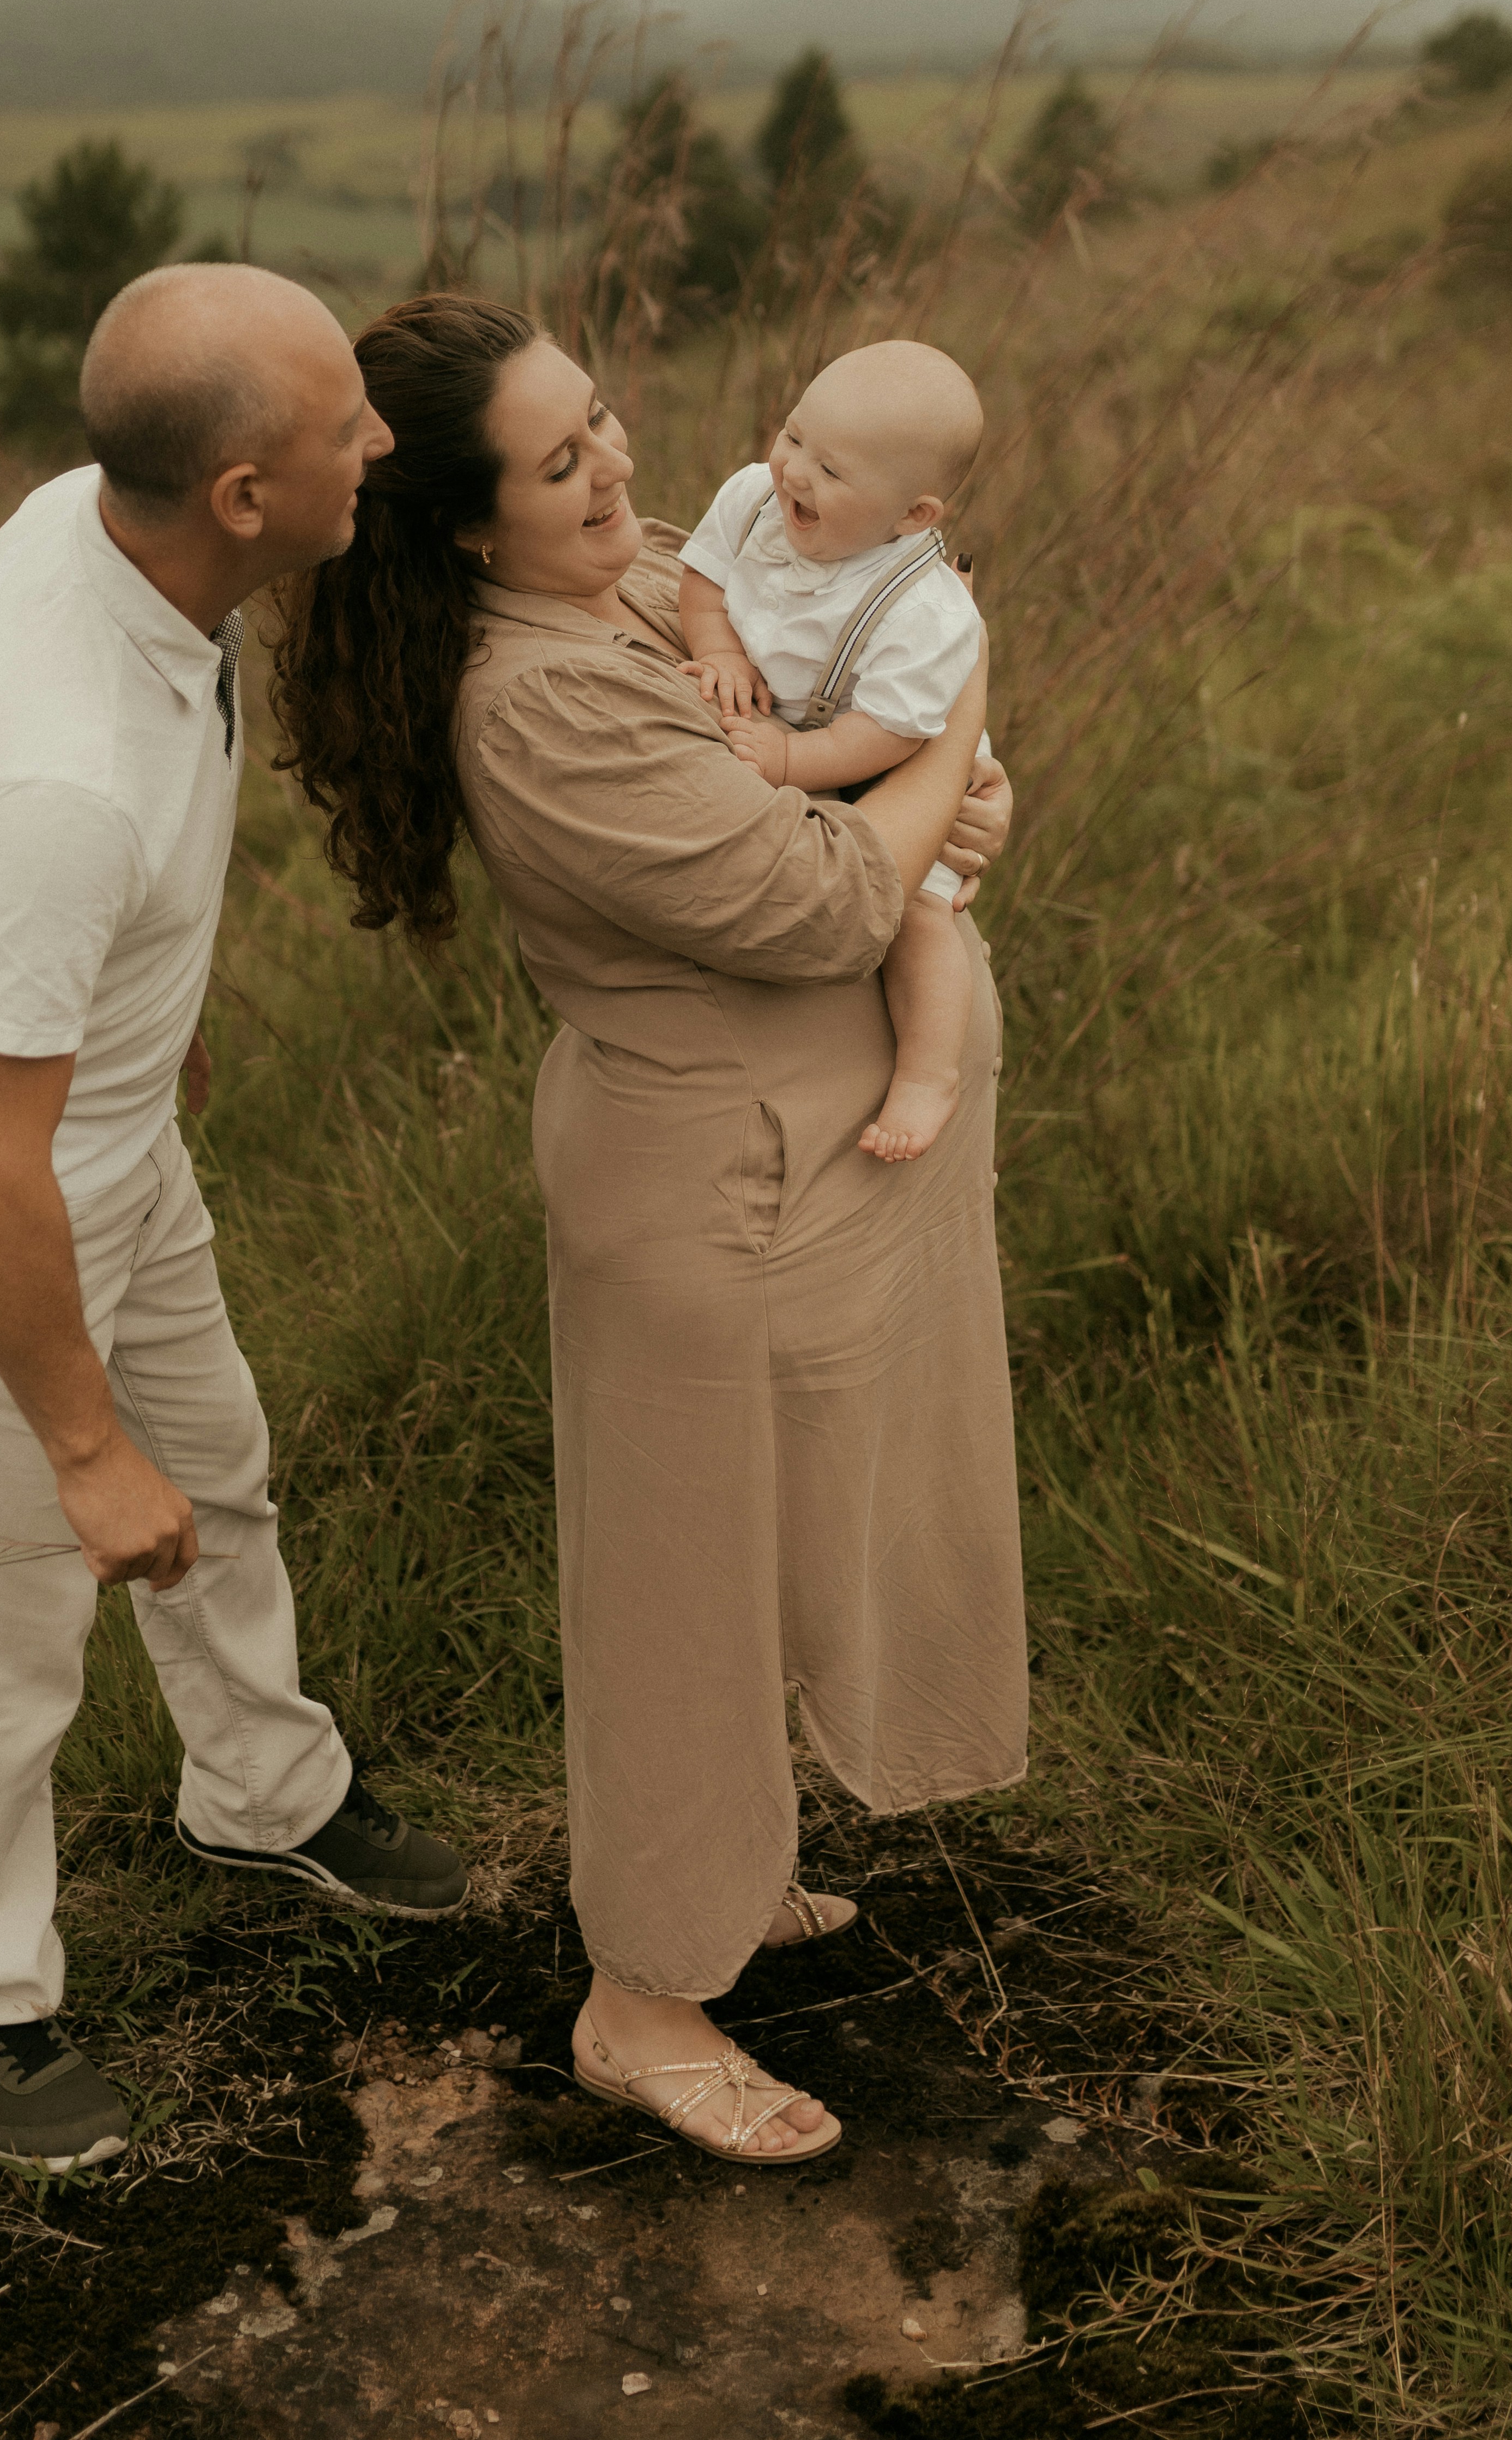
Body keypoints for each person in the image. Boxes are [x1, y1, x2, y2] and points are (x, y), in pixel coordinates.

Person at [273, 295, 1029, 2166]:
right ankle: (645, 1996)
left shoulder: (641, 574)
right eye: (559, 461)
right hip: (715, 1191)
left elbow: (865, 732)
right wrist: (951, 752)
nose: (618, 464)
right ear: (465, 527)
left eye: (601, 418)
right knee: (679, 1589)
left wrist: (931, 788)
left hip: (819, 1167)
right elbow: (816, 906)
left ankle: (731, 1869)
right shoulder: (539, 695)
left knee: (784, 1536)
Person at [0, 265, 467, 2177]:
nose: (382, 448)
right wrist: (81, 1450)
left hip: (106, 1141)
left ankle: (266, 1794)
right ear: (242, 495)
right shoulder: (49, 775)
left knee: (222, 1470)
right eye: (349, 432)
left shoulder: (116, 533)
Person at [678, 340, 990, 1162]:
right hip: (787, 723)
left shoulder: (925, 610)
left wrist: (788, 763)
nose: (794, 473)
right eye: (793, 435)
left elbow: (891, 731)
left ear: (914, 517)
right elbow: (704, 579)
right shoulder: (754, 501)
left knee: (920, 917)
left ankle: (929, 1075)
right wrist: (719, 651)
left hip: (889, 752)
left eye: (833, 471)